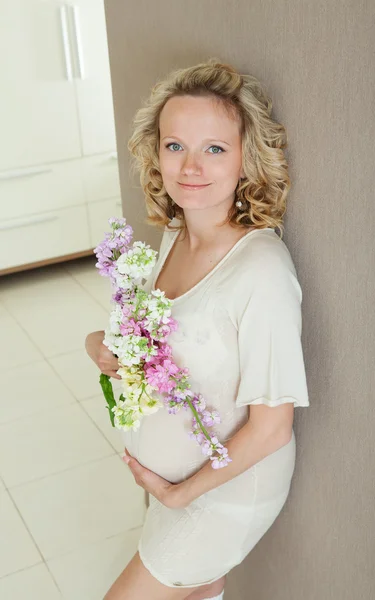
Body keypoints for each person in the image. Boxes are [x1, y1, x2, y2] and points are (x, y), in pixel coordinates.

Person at [85, 58, 309, 600]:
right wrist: (101, 345)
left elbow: (272, 428)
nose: (190, 166)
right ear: (155, 153)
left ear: (245, 159)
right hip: (172, 488)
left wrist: (181, 495)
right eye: (174, 145)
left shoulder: (261, 271)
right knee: (200, 590)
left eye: (214, 148)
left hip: (220, 495)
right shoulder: (176, 235)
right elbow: (170, 342)